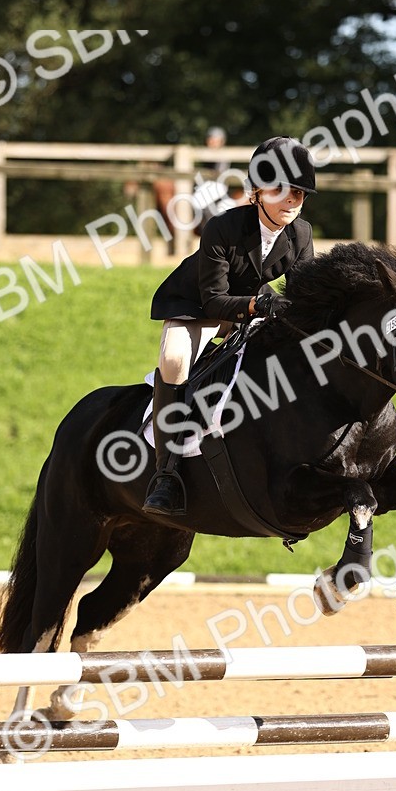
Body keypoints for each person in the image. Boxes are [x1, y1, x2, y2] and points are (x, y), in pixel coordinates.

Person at [143, 135, 316, 517]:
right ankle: (165, 475)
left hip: (251, 308)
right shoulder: (223, 227)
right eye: (281, 189)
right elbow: (214, 301)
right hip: (197, 306)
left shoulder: (300, 234)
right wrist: (259, 304)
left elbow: (303, 297)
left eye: (300, 193)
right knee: (174, 359)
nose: (292, 200)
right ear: (256, 191)